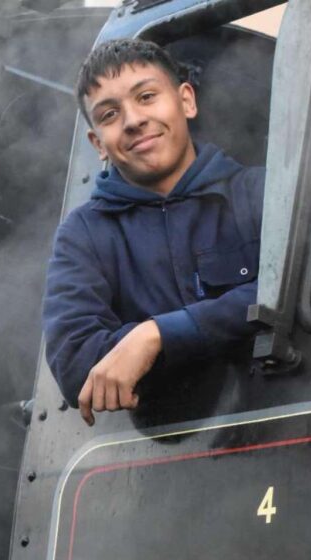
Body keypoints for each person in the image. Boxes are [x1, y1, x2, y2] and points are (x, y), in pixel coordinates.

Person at [42, 39, 264, 426]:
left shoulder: (262, 193)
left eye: (146, 96)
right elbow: (75, 361)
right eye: (109, 115)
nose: (132, 120)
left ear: (186, 101)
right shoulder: (83, 235)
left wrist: (156, 336)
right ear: (99, 144)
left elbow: (302, 292)